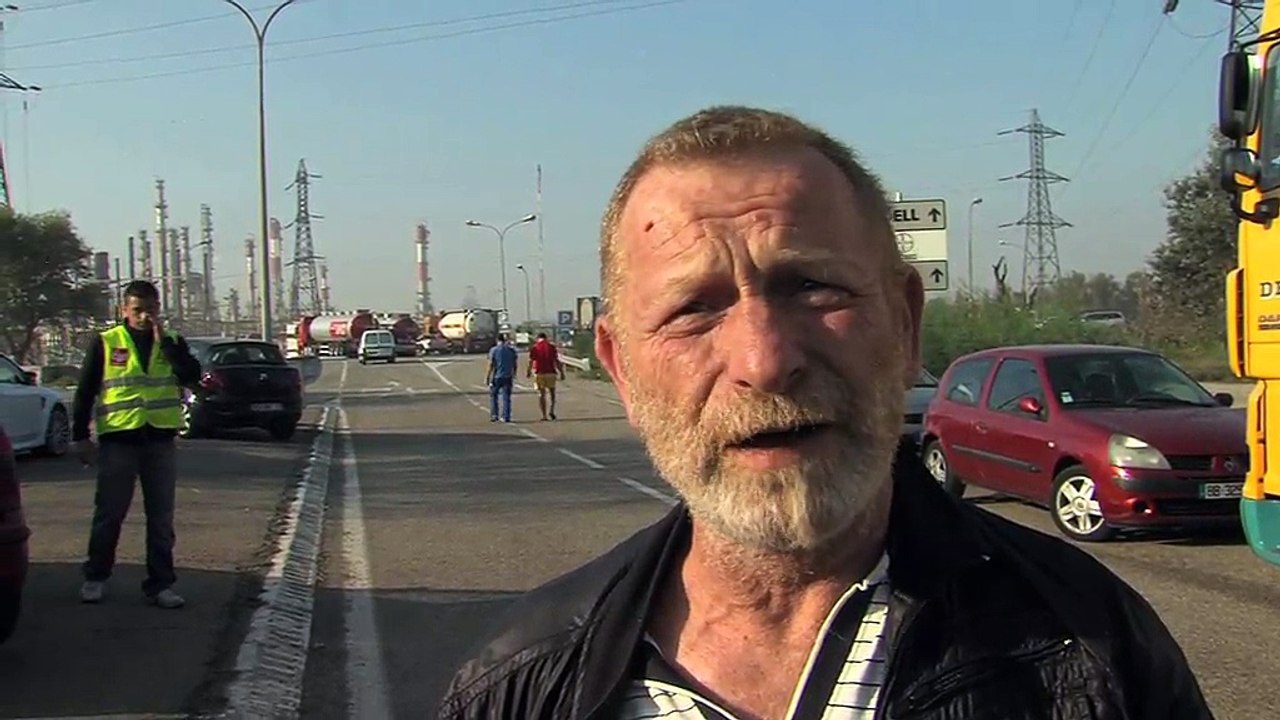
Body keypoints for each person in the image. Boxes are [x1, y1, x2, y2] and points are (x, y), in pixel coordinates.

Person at [434, 106, 1213, 720]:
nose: (765, 359)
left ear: (904, 324)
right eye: (693, 309)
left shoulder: (1092, 645)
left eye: (812, 288)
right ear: (621, 371)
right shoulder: (523, 683)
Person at [72, 280, 202, 609]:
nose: (145, 317)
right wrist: (80, 436)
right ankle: (96, 576)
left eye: (151, 310)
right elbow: (85, 391)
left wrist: (167, 347)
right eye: (138, 310)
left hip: (159, 440)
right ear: (124, 311)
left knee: (161, 518)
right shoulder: (106, 341)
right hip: (119, 440)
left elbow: (191, 376)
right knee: (109, 513)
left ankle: (160, 585)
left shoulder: (172, 341)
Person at [526, 332, 566, 420]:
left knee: (541, 394)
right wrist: (562, 372)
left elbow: (531, 361)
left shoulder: (535, 347)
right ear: (546, 338)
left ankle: (544, 415)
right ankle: (551, 410)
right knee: (552, 393)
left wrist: (528, 371)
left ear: (538, 338)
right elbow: (556, 361)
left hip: (539, 372)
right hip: (551, 372)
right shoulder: (551, 347)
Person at [486, 333, 518, 423]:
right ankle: (506, 416)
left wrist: (488, 376)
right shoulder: (511, 350)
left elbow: (491, 364)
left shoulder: (494, 350)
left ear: (497, 340)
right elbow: (515, 363)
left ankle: (494, 414)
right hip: (508, 376)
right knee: (506, 397)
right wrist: (514, 373)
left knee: (494, 395)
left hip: (497, 376)